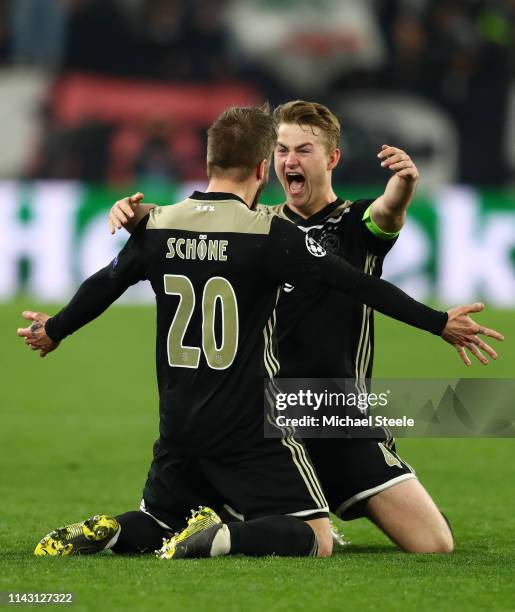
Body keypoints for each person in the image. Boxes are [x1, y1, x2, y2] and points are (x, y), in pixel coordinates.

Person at [19, 105, 502, 560]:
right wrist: (133, 210)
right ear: (264, 166)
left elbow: (385, 217)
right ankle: (244, 528)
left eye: (303, 150)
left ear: (331, 158)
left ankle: (182, 527)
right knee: (306, 534)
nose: (291, 160)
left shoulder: (350, 221)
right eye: (282, 150)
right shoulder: (266, 229)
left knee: (434, 543)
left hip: (333, 415)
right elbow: (212, 219)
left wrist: (404, 185)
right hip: (267, 419)